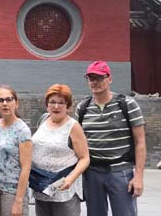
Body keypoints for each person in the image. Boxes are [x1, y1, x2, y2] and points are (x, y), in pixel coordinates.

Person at [76, 61, 146, 216]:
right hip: (92, 172)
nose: (95, 82)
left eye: (100, 78)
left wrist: (139, 177)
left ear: (110, 79)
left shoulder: (127, 104)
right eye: (91, 78)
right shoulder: (83, 108)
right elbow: (78, 143)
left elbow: (140, 142)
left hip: (120, 171)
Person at [31, 84, 89, 216]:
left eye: (61, 103)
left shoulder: (73, 127)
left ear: (67, 106)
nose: (56, 106)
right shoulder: (43, 120)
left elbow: (85, 158)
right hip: (42, 186)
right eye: (52, 102)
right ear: (47, 104)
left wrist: (70, 179)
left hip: (63, 187)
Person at [0, 86, 32, 216]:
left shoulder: (22, 130)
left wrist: (19, 200)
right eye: (1, 100)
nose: (5, 104)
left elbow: (26, 167)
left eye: (9, 100)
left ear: (16, 103)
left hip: (11, 189)